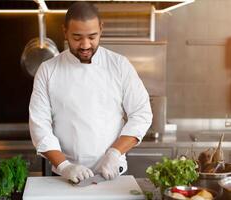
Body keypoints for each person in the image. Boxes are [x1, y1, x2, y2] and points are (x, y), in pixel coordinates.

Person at [29, 2, 152, 183]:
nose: (85, 45)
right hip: (65, 176)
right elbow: (40, 126)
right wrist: (64, 166)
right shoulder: (48, 70)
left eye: (92, 36)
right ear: (65, 32)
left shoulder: (119, 65)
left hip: (112, 174)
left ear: (101, 29)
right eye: (77, 37)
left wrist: (114, 152)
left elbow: (141, 114)